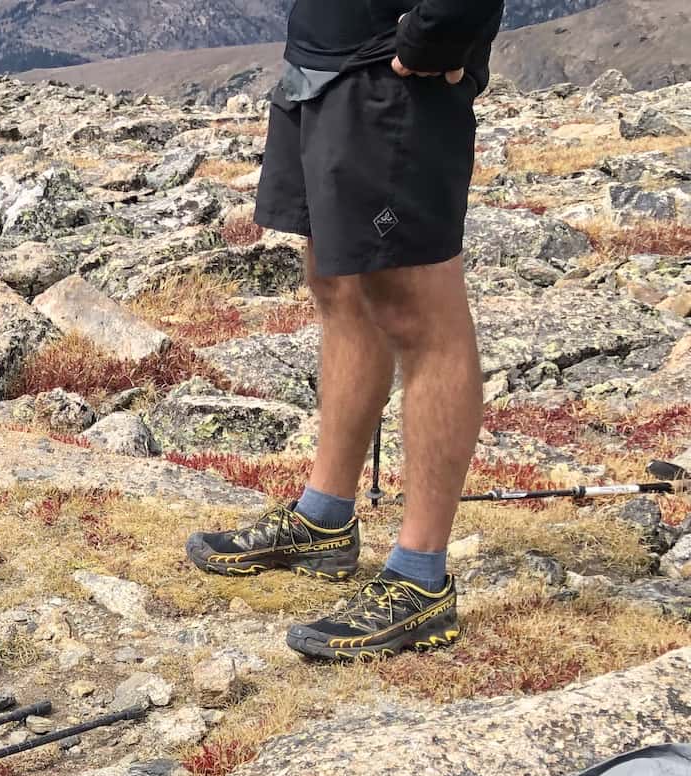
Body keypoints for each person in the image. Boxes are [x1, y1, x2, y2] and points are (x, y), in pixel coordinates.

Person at [185, 0, 502, 659]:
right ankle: (323, 518)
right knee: (338, 284)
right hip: (321, 60)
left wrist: (442, 31)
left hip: (392, 69)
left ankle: (421, 580)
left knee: (419, 315)